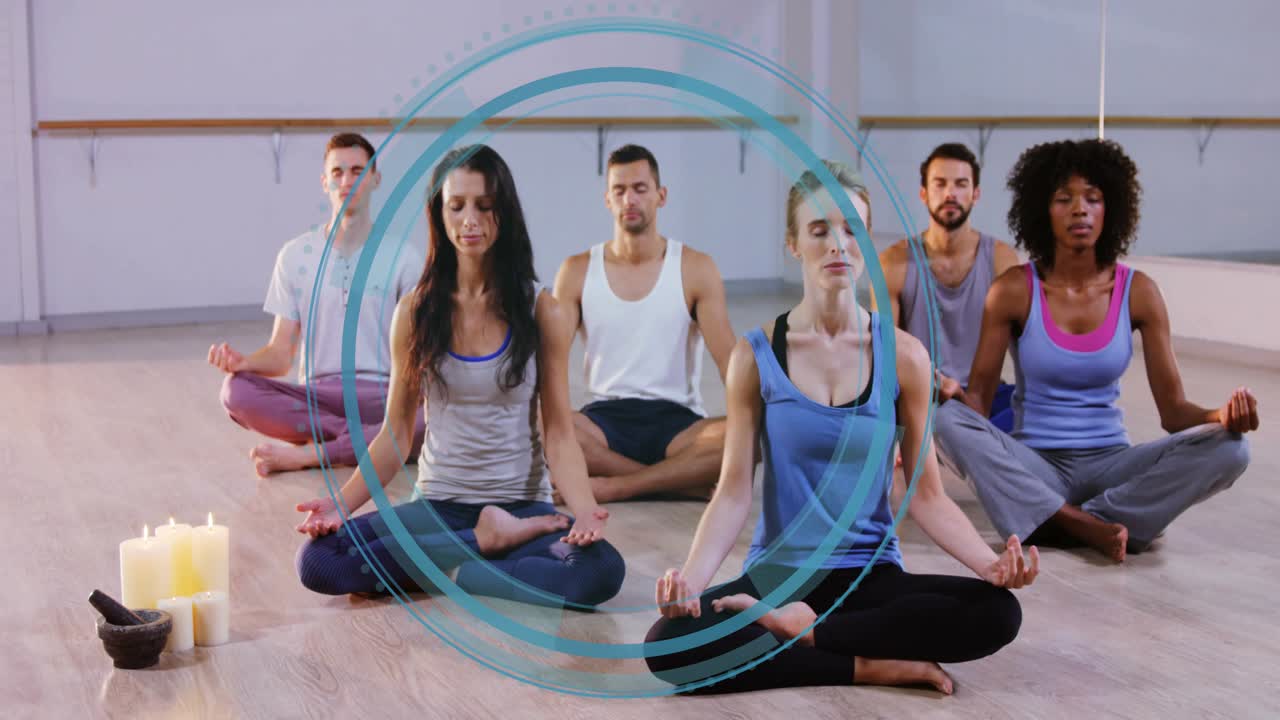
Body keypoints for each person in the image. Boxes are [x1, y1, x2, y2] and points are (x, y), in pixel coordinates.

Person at [643, 161, 1037, 695]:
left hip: (869, 576)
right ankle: (866, 664)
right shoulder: (755, 356)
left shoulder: (905, 358)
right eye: (820, 229)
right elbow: (733, 492)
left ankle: (810, 636)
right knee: (669, 644)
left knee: (998, 612)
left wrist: (989, 563)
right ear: (793, 243)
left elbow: (926, 496)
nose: (838, 244)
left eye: (852, 230)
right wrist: (691, 579)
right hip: (780, 577)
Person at [293, 145, 624, 608]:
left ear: (503, 214)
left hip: (523, 509)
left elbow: (559, 433)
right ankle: (483, 548)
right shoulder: (415, 311)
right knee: (320, 561)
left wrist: (584, 508)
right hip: (438, 506)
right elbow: (396, 433)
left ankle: (451, 566)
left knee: (599, 572)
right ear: (439, 214)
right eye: (457, 205)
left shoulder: (540, 309)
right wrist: (338, 504)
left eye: (484, 206)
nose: (470, 219)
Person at [935, 138, 1257, 563]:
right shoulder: (1013, 290)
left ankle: (1066, 520)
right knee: (945, 421)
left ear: (1112, 209)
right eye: (1063, 198)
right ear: (1041, 211)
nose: (1079, 209)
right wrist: (949, 396)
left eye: (1093, 197)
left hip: (1112, 467)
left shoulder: (1138, 292)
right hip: (1036, 465)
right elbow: (976, 403)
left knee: (1232, 449)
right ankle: (1087, 524)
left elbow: (1174, 413)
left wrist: (1222, 417)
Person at [210, 132, 426, 477]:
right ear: (324, 182)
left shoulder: (404, 257)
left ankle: (313, 454)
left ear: (375, 179)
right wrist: (245, 362)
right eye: (338, 172)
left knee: (443, 415)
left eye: (358, 171)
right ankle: (364, 444)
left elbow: (419, 351)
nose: (347, 181)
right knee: (235, 391)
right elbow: (281, 355)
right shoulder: (295, 255)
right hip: (319, 397)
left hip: (386, 396)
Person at [553, 144, 736, 502]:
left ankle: (616, 485)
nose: (629, 200)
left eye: (640, 189)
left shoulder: (696, 268)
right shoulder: (575, 271)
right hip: (603, 422)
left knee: (747, 435)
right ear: (607, 199)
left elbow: (731, 363)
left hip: (679, 424)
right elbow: (551, 365)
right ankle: (678, 482)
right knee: (540, 428)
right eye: (619, 191)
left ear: (660, 196)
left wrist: (760, 418)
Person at [877, 143, 1020, 431]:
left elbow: (1022, 346)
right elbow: (885, 354)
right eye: (940, 184)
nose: (950, 194)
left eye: (961, 184)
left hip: (986, 396)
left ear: (975, 194)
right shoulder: (894, 262)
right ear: (924, 193)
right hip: (922, 395)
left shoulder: (1001, 258)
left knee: (1033, 415)